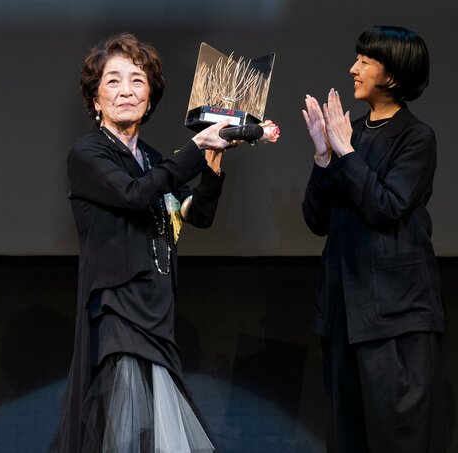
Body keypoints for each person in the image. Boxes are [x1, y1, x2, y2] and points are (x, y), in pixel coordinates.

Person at [51, 32, 278, 452]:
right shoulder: (87, 154)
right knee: (122, 429)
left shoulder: (154, 159)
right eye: (113, 80)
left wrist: (213, 160)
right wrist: (196, 146)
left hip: (157, 309)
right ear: (95, 98)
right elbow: (134, 194)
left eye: (137, 80)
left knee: (154, 431)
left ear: (150, 97)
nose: (126, 91)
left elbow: (197, 214)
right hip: (117, 306)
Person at [302, 26, 445, 452]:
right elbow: (316, 220)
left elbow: (387, 206)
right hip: (344, 314)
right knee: (348, 438)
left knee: (396, 438)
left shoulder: (416, 138)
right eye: (357, 59)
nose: (354, 68)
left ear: (393, 76)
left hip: (395, 316)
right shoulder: (350, 133)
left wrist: (345, 153)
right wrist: (323, 157)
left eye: (365, 61)